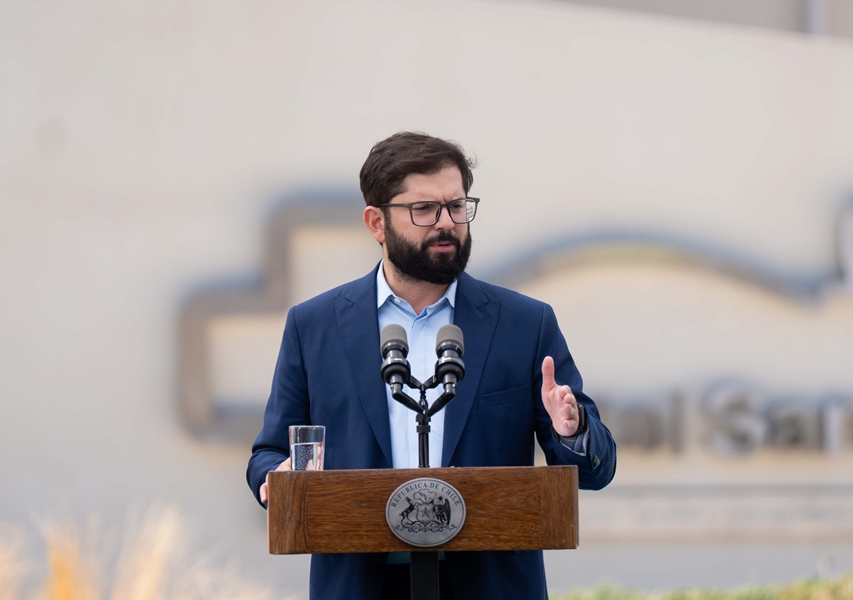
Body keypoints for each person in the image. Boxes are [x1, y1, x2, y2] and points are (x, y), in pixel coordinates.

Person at [246, 132, 616, 599]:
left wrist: (573, 428)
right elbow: (268, 453)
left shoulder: (524, 323)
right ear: (376, 223)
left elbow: (598, 468)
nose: (447, 223)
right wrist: (274, 478)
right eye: (424, 210)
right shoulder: (314, 325)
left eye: (457, 206)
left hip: (490, 585)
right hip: (361, 584)